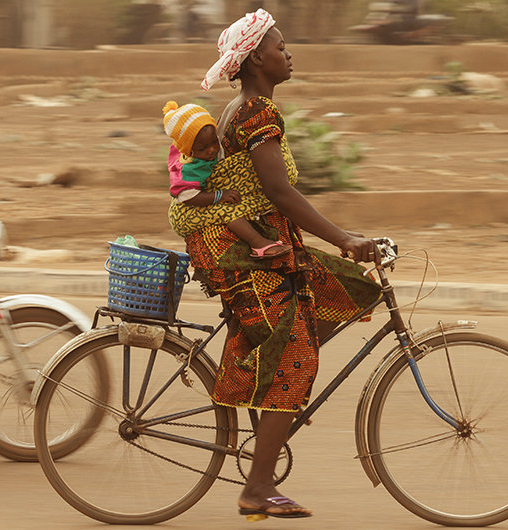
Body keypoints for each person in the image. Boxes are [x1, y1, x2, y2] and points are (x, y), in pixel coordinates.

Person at [184, 8, 382, 521]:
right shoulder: (255, 112)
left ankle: (271, 397)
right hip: (248, 255)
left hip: (269, 246)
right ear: (255, 60)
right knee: (297, 355)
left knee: (352, 287)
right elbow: (278, 191)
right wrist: (344, 238)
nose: (288, 54)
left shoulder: (245, 107)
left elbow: (273, 193)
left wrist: (345, 245)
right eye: (280, 47)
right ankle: (257, 487)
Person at [163, 100, 291, 259]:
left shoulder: (202, 145)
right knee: (228, 211)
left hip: (197, 197)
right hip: (188, 209)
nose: (211, 150)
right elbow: (187, 196)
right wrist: (219, 196)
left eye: (214, 142)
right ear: (188, 150)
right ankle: (258, 244)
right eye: (202, 149)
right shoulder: (188, 170)